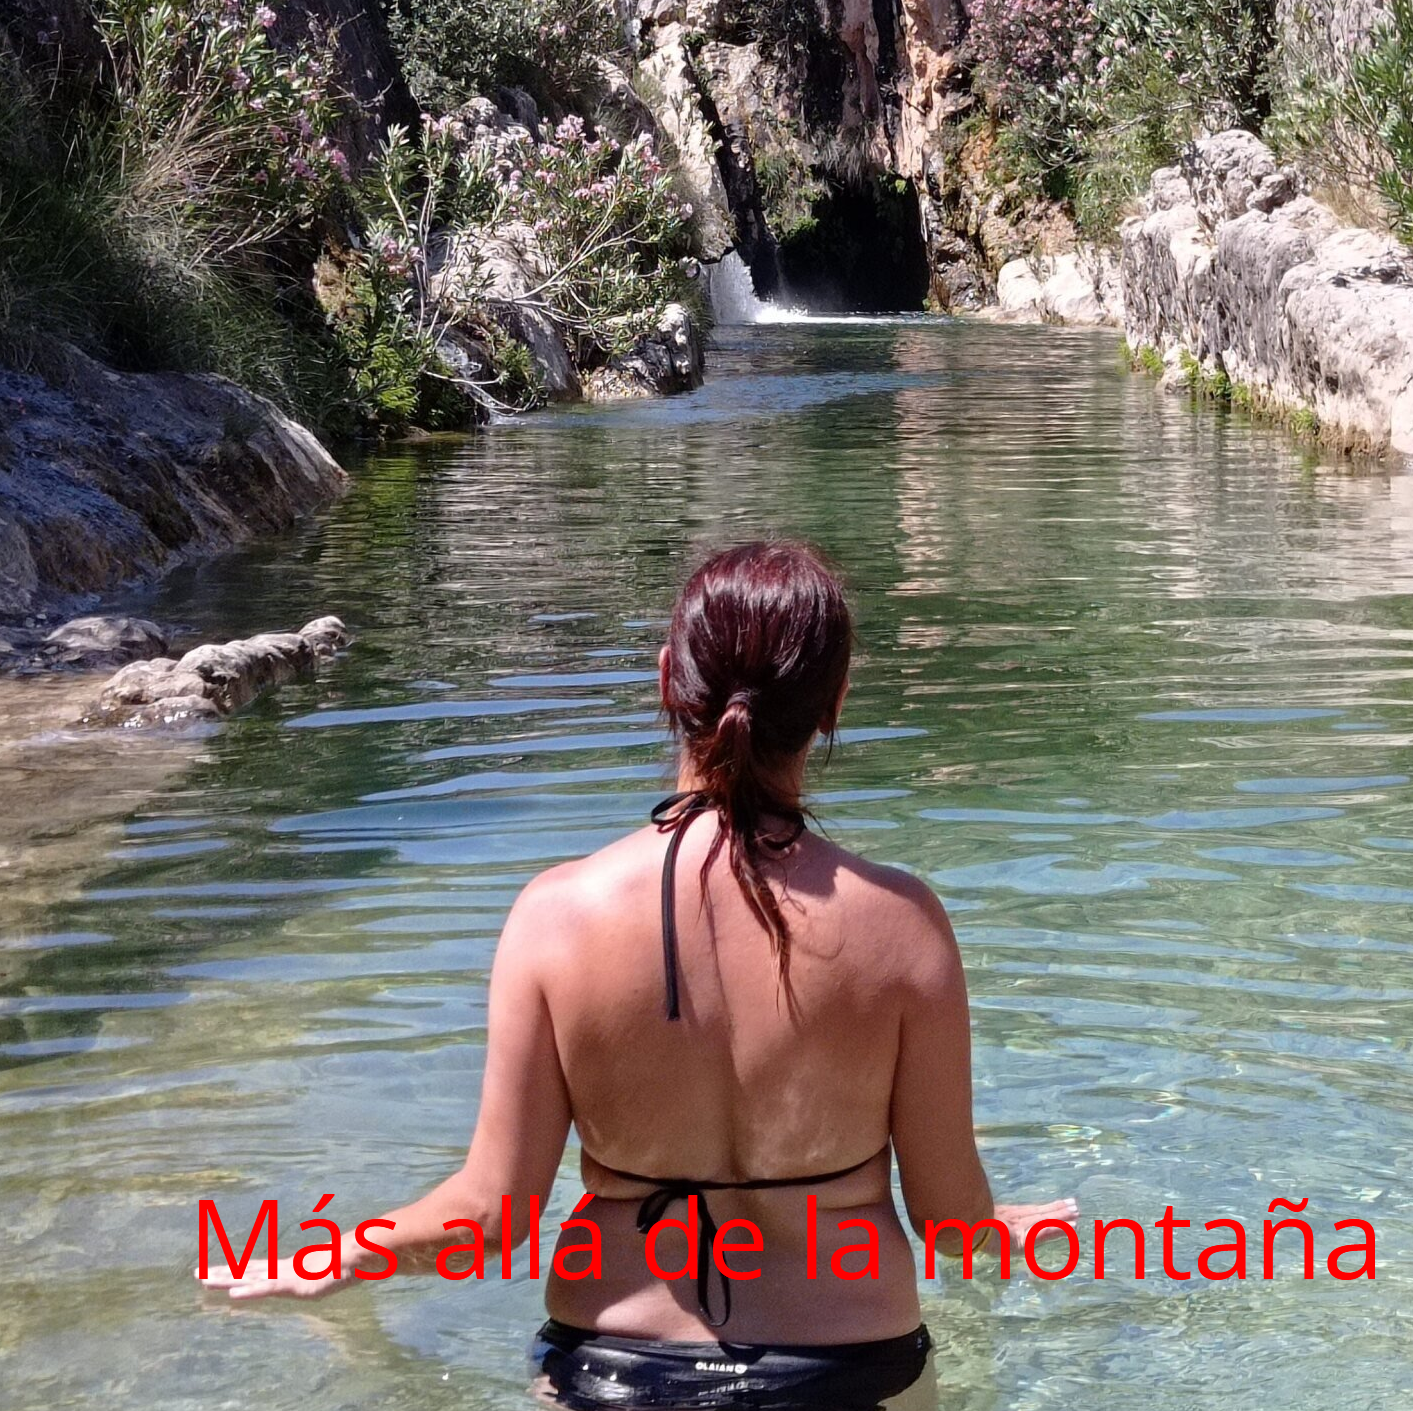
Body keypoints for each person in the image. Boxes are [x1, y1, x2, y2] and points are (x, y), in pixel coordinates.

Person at [206, 540, 1074, 1407]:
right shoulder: (902, 926)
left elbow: (490, 1215)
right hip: (853, 1370)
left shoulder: (556, 916)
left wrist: (335, 1257)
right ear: (834, 702)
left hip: (610, 1371)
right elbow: (951, 1226)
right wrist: (1007, 1229)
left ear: (667, 681)